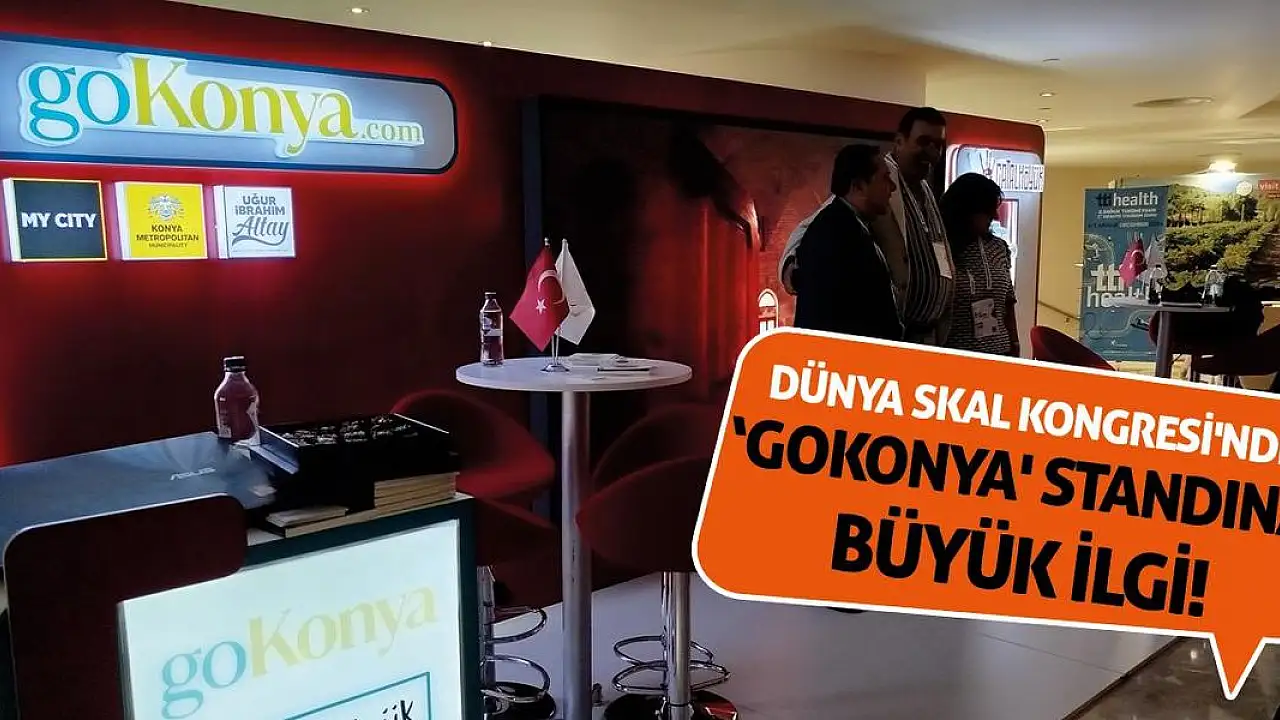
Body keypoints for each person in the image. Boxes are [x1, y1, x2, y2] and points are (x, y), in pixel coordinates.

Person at [779, 107, 954, 344]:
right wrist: (796, 271)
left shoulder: (925, 189)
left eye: (938, 144)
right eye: (923, 142)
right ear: (899, 142)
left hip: (927, 336)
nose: (932, 152)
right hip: (892, 338)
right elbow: (810, 228)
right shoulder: (873, 179)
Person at [792, 144, 902, 340]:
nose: (892, 187)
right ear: (858, 186)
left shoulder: (851, 225)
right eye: (885, 178)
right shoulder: (832, 234)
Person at [940, 172, 1019, 356]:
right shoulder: (941, 248)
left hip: (1001, 352)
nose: (995, 216)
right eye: (987, 210)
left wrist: (1015, 343)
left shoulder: (998, 247)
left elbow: (1008, 302)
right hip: (957, 354)